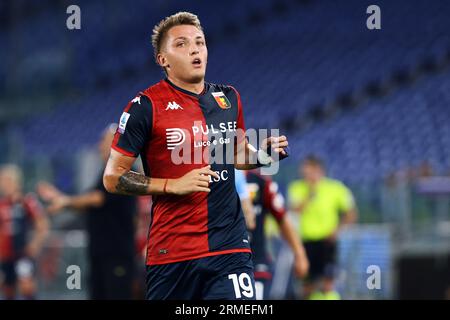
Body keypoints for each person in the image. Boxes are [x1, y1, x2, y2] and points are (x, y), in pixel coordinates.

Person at [102, 11, 290, 300]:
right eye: (181, 44)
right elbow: (113, 178)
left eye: (199, 42)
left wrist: (264, 156)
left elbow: (237, 154)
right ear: (162, 59)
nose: (194, 49)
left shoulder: (228, 98)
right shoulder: (144, 106)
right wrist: (171, 184)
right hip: (172, 254)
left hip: (230, 247)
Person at [37, 124, 138, 300]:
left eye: (103, 141)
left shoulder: (124, 170)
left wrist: (65, 200)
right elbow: (89, 202)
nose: (99, 145)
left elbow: (97, 198)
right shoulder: (105, 171)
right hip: (100, 252)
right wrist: (62, 200)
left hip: (116, 252)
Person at [288, 155, 357, 300]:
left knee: (328, 282)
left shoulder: (335, 188)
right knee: (307, 285)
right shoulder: (297, 187)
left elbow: (351, 212)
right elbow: (295, 210)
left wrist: (338, 230)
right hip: (305, 242)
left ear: (319, 170)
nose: (306, 173)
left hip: (327, 241)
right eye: (304, 171)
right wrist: (310, 194)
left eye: (309, 170)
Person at [245, 169, 309, 300]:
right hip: (223, 262)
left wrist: (299, 254)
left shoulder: (261, 182)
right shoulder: (216, 178)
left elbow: (282, 218)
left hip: (256, 261)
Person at [0, 164, 49, 300]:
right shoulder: (2, 204)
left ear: (16, 182)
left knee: (26, 285)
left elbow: (42, 223)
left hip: (22, 253)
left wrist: (35, 244)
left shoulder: (27, 201)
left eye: (7, 180)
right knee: (8, 288)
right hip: (6, 255)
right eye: (3, 181)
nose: (4, 184)